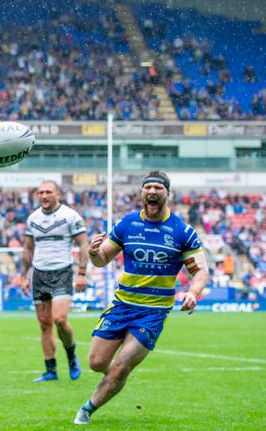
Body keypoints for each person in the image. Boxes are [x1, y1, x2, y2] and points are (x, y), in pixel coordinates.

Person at [74, 171, 209, 425]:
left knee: (121, 366)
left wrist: (193, 292)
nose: (153, 192)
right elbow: (102, 260)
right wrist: (93, 254)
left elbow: (200, 270)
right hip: (122, 305)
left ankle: (87, 409)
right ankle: (115, 376)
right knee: (96, 362)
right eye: (148, 188)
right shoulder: (128, 224)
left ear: (167, 194)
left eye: (159, 188)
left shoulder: (182, 231)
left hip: (153, 313)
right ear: (142, 194)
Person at [20, 180, 89, 382]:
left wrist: (82, 273)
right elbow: (27, 249)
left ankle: (71, 357)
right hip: (40, 274)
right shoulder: (33, 218)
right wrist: (24, 276)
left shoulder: (70, 216)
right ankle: (51, 370)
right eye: (40, 192)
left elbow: (84, 244)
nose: (44, 195)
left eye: (48, 192)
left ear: (57, 194)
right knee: (44, 324)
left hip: (62, 272)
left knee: (59, 319)